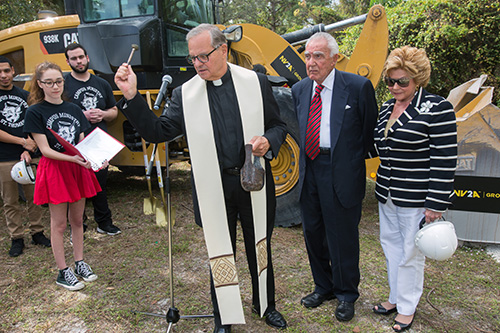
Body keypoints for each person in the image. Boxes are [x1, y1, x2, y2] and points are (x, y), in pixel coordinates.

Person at [114, 24, 287, 332]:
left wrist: (269, 141)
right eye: (192, 58)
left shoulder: (256, 83)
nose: (197, 64)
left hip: (253, 181)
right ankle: (224, 318)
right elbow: (157, 132)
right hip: (214, 187)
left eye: (203, 56)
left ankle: (266, 304)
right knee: (221, 253)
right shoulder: (186, 94)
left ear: (223, 50)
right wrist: (131, 95)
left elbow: (278, 125)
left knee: (259, 246)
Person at [291, 32, 378, 322]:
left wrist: (348, 161)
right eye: (307, 56)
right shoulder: (300, 89)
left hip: (340, 170)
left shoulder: (357, 87)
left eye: (318, 56)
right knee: (313, 232)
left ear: (334, 58)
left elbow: (368, 133)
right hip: (309, 170)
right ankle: (323, 286)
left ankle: (346, 294)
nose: (311, 62)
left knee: (341, 236)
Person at [371, 46, 457, 332]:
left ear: (417, 79)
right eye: (390, 81)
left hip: (417, 197)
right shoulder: (386, 107)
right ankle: (395, 298)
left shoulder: (437, 107)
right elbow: (378, 146)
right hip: (387, 193)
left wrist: (436, 203)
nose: (395, 87)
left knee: (410, 253)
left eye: (402, 81)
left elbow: (445, 158)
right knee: (391, 247)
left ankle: (407, 308)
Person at [24, 61, 101, 291]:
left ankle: (79, 262)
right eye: (49, 82)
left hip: (76, 168)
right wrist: (74, 159)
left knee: (78, 221)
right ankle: (62, 271)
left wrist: (95, 158)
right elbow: (45, 150)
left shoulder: (74, 109)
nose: (55, 86)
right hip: (56, 169)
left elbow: (82, 143)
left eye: (58, 81)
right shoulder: (34, 112)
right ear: (40, 84)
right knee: (58, 225)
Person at [64, 43, 121, 236]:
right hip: (74, 144)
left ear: (87, 57)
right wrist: (83, 116)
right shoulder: (63, 84)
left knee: (99, 184)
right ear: (68, 61)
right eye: (74, 58)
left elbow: (114, 112)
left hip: (98, 143)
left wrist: (103, 114)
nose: (78, 61)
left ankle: (104, 222)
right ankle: (78, 225)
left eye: (81, 57)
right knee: (74, 187)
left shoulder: (102, 83)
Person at [0, 56, 51, 257]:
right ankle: (17, 238)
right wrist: (21, 142)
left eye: (6, 70)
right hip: (4, 158)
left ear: (13, 71)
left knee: (35, 198)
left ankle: (38, 232)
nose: (3, 75)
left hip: (29, 156)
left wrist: (28, 149)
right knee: (10, 201)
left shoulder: (25, 96)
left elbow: (34, 124)